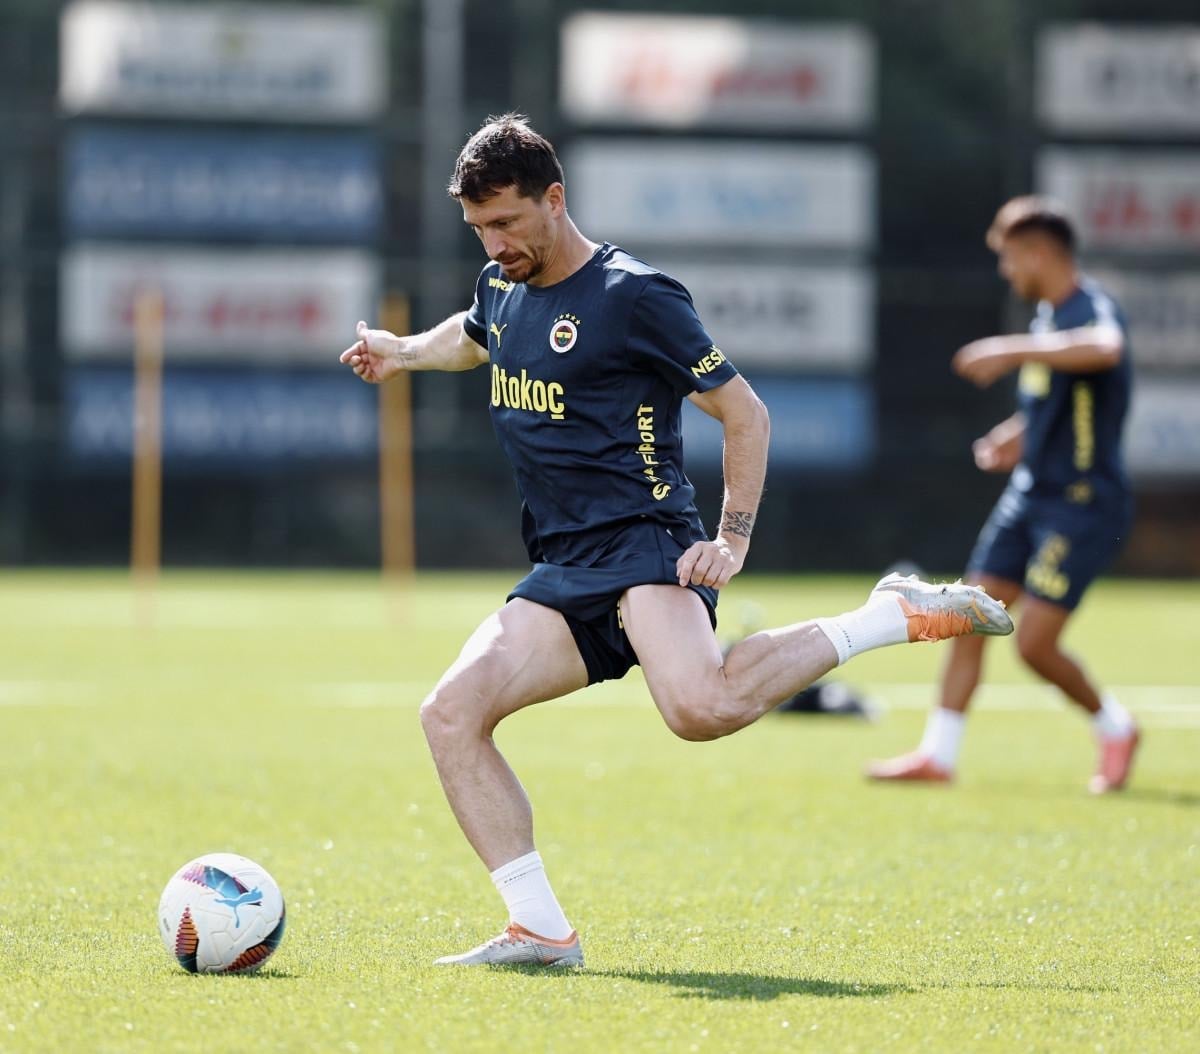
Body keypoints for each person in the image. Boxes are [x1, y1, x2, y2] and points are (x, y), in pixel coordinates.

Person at [340, 114, 1013, 968]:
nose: (495, 243)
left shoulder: (635, 296)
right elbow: (475, 336)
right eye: (479, 228)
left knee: (701, 711)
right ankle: (540, 929)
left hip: (645, 541)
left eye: (507, 221)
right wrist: (402, 351)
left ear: (555, 199)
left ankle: (887, 615)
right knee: (449, 714)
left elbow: (745, 413)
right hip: (563, 563)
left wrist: (731, 539)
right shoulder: (500, 284)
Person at [867, 196, 1138, 794]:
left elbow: (1106, 347)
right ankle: (937, 755)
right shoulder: (1046, 319)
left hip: (1082, 502)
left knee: (1034, 644)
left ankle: (1117, 727)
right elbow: (1054, 403)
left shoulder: (1088, 308)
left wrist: (1009, 348)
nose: (1006, 270)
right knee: (966, 615)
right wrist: (1013, 437)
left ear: (1039, 253)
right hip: (1028, 495)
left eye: (1010, 257)